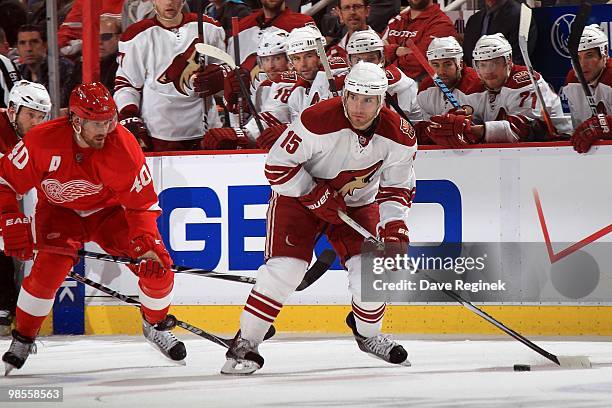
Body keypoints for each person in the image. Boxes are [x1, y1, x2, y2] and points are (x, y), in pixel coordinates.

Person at [222, 61, 416, 375]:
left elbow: (397, 188)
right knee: (286, 270)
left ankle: (368, 335)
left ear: (382, 101)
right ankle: (247, 342)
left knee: (376, 273)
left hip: (356, 205)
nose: (358, 106)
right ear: (345, 95)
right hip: (298, 200)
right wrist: (313, 193)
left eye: (368, 100)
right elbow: (276, 167)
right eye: (353, 96)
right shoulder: (316, 120)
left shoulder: (400, 136)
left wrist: (395, 226)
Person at [0, 83, 186, 375]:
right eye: (97, 123)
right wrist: (10, 216)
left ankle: (155, 323)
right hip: (59, 212)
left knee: (159, 268)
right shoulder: (41, 140)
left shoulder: (123, 146)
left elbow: (142, 205)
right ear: (76, 120)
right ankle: (23, 337)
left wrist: (144, 241)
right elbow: (6, 182)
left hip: (110, 213)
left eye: (109, 120)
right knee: (48, 270)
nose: (106, 128)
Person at [114, 0, 225, 151]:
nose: (169, 2)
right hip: (158, 134)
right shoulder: (138, 35)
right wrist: (129, 115)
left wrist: (220, 77)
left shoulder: (209, 27)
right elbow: (127, 84)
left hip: (206, 131)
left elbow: (229, 70)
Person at [427, 33, 571, 147]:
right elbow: (472, 121)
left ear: (508, 62)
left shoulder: (524, 80)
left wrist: (474, 131)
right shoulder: (478, 88)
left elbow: (525, 129)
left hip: (559, 148)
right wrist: (461, 122)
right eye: (483, 65)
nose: (488, 72)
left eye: (494, 63)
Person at [0, 80, 51, 336]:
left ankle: (7, 307)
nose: (36, 122)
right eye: (31, 114)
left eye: (41, 116)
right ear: (12, 110)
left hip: (9, 194)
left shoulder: (42, 139)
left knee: (15, 247)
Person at [201, 29, 292, 150]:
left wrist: (242, 134)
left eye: (277, 58)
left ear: (289, 58)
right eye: (266, 59)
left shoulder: (292, 80)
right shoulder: (264, 85)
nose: (270, 66)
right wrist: (235, 101)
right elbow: (249, 119)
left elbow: (275, 115)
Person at [346, 29, 422, 122]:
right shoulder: (342, 80)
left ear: (382, 60)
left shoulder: (402, 85)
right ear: (349, 62)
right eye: (358, 60)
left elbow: (389, 126)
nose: (364, 65)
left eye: (370, 59)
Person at [415, 36, 480, 144]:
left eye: (447, 64)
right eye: (435, 65)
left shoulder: (475, 85)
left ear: (459, 63)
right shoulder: (425, 88)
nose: (441, 71)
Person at [226, 0, 315, 76]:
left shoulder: (302, 24)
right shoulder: (241, 26)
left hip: (286, 91)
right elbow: (230, 66)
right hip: (247, 93)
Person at [562, 24, 612, 153]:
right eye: (577, 57)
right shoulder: (572, 82)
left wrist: (605, 125)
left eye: (589, 55)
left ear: (604, 53)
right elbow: (579, 130)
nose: (582, 64)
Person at [382, 0, 457, 81]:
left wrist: (389, 55)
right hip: (386, 85)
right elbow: (375, 52)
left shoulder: (441, 23)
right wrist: (396, 50)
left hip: (420, 88)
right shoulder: (396, 20)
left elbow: (419, 63)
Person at [463, 0, 537, 68]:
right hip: (476, 79)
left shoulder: (521, 14)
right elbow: (467, 57)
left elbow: (519, 58)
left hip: (506, 78)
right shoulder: (474, 19)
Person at [16, 25, 76, 108]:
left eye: (34, 42)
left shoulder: (62, 68)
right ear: (17, 48)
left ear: (45, 45)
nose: (28, 48)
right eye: (22, 43)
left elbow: (62, 105)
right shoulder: (18, 72)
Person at [99, 16, 122, 95]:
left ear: (119, 37)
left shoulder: (124, 66)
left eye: (105, 37)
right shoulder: (81, 64)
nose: (99, 42)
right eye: (94, 36)